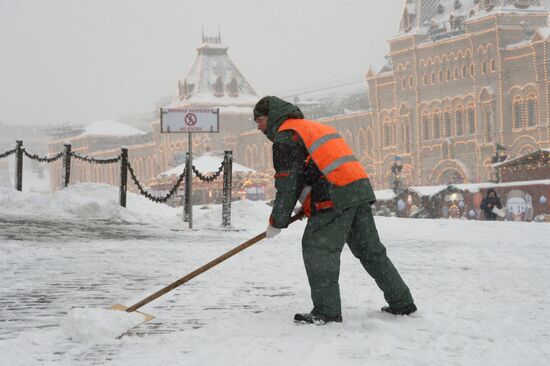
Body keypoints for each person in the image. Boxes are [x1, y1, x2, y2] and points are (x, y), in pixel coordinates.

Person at [253, 96, 416, 324]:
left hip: (334, 193)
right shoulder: (313, 128)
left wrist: (277, 221)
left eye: (259, 120)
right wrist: (305, 207)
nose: (258, 126)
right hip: (357, 188)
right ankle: (402, 302)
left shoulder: (286, 137)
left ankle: (326, 311)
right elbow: (314, 170)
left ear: (271, 117)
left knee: (318, 249)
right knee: (371, 251)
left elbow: (287, 184)